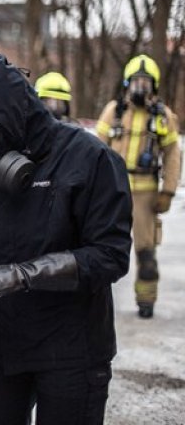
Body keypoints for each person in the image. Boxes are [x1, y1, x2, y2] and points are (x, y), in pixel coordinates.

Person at [0, 54, 131, 425]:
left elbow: (110, 255)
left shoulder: (89, 159)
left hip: (72, 351)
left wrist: (23, 274)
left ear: (14, 121)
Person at [96, 54, 181, 318]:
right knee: (99, 246)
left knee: (146, 251)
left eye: (145, 82)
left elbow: (172, 154)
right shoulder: (114, 112)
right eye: (136, 82)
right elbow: (95, 149)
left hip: (145, 192)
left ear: (154, 86)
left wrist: (168, 191)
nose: (140, 88)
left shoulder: (163, 117)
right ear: (126, 84)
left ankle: (145, 301)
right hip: (113, 191)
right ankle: (94, 299)